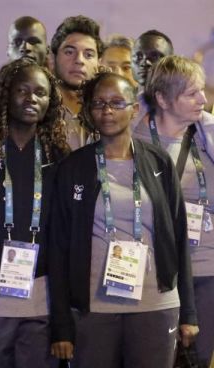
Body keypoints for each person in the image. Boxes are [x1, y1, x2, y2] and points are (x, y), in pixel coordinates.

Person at [49, 72, 198, 368]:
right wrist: (62, 324)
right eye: (99, 103)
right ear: (89, 111)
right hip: (94, 308)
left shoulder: (158, 162)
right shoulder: (73, 168)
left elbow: (178, 237)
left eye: (117, 103)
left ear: (134, 108)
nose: (107, 111)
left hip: (156, 304)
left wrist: (189, 313)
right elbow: (58, 249)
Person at [0, 59, 68, 368]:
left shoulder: (58, 157)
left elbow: (61, 239)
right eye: (22, 90)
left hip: (41, 299)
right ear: (4, 94)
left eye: (40, 92)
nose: (31, 99)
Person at [133, 55, 213, 367]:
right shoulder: (134, 139)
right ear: (163, 99)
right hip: (155, 272)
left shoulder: (207, 138)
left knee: (198, 358)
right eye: (192, 93)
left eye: (202, 90)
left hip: (205, 268)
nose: (203, 100)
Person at [50, 15, 103, 150]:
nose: (79, 60)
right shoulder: (38, 112)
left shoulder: (108, 113)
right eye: (69, 52)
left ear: (99, 63)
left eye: (88, 55)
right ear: (52, 58)